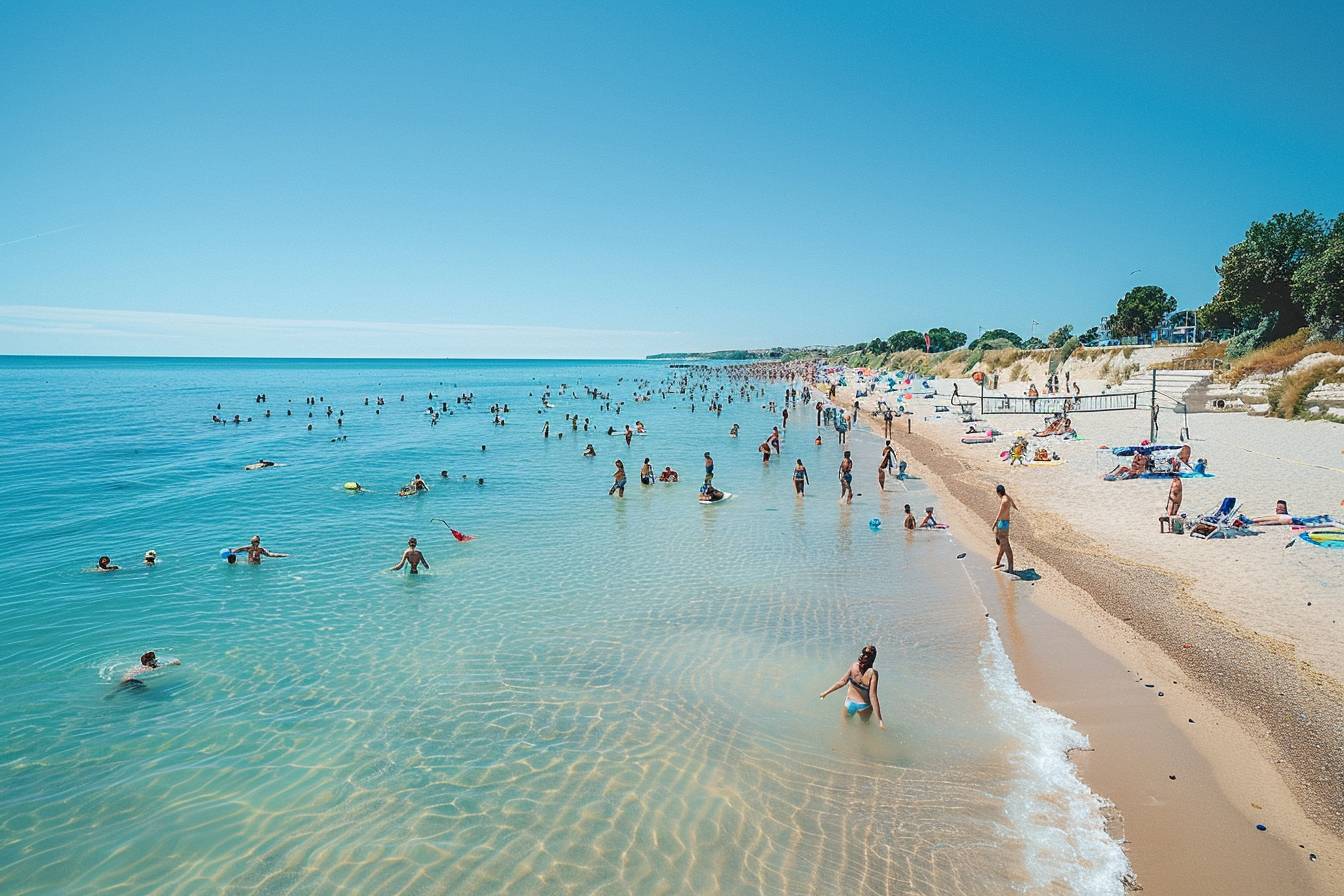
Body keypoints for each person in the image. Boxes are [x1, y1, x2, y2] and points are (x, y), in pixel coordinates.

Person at [818, 644, 884, 729]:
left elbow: (873, 696)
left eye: (865, 654)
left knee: (846, 727)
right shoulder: (869, 672)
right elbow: (842, 682)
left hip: (854, 704)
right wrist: (826, 692)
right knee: (864, 728)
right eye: (862, 653)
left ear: (870, 659)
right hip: (862, 705)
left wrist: (880, 720)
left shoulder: (870, 672)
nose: (861, 655)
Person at [993, 485, 1017, 573]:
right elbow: (1014, 505)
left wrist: (994, 523)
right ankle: (997, 563)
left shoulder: (1004, 501)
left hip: (1002, 524)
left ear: (998, 493)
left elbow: (999, 514)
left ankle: (1010, 569)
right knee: (1002, 544)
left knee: (1005, 545)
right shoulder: (1008, 497)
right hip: (1005, 523)